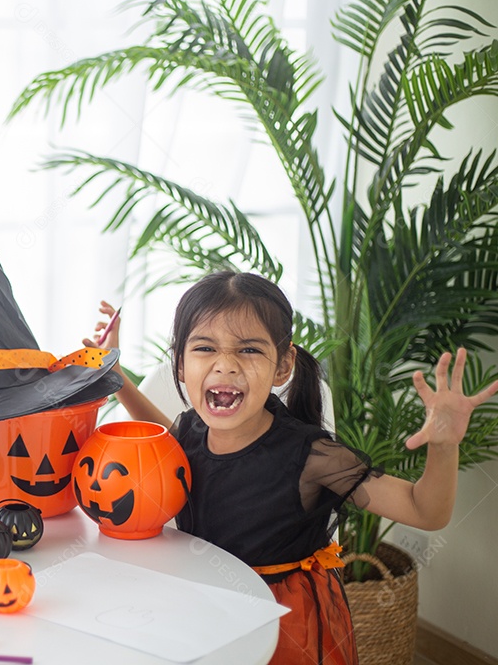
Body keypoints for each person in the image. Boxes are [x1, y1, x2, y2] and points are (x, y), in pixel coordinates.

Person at [86, 273, 498, 665]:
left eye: (249, 349)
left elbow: (426, 512)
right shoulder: (192, 431)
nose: (225, 364)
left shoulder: (313, 457)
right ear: (179, 365)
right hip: (208, 604)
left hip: (286, 622)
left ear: (283, 366)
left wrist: (445, 446)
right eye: (205, 348)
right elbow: (160, 433)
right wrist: (116, 375)